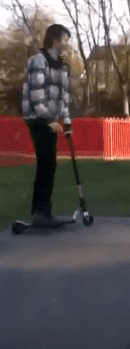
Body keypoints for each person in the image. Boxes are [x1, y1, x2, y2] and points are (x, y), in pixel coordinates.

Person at [21, 24, 73, 225]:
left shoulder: (62, 65)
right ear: (55, 39)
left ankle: (42, 212)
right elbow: (36, 95)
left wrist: (66, 121)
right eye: (65, 40)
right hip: (37, 118)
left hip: (51, 119)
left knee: (49, 164)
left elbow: (64, 96)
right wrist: (49, 120)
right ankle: (40, 212)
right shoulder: (38, 61)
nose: (67, 44)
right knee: (46, 161)